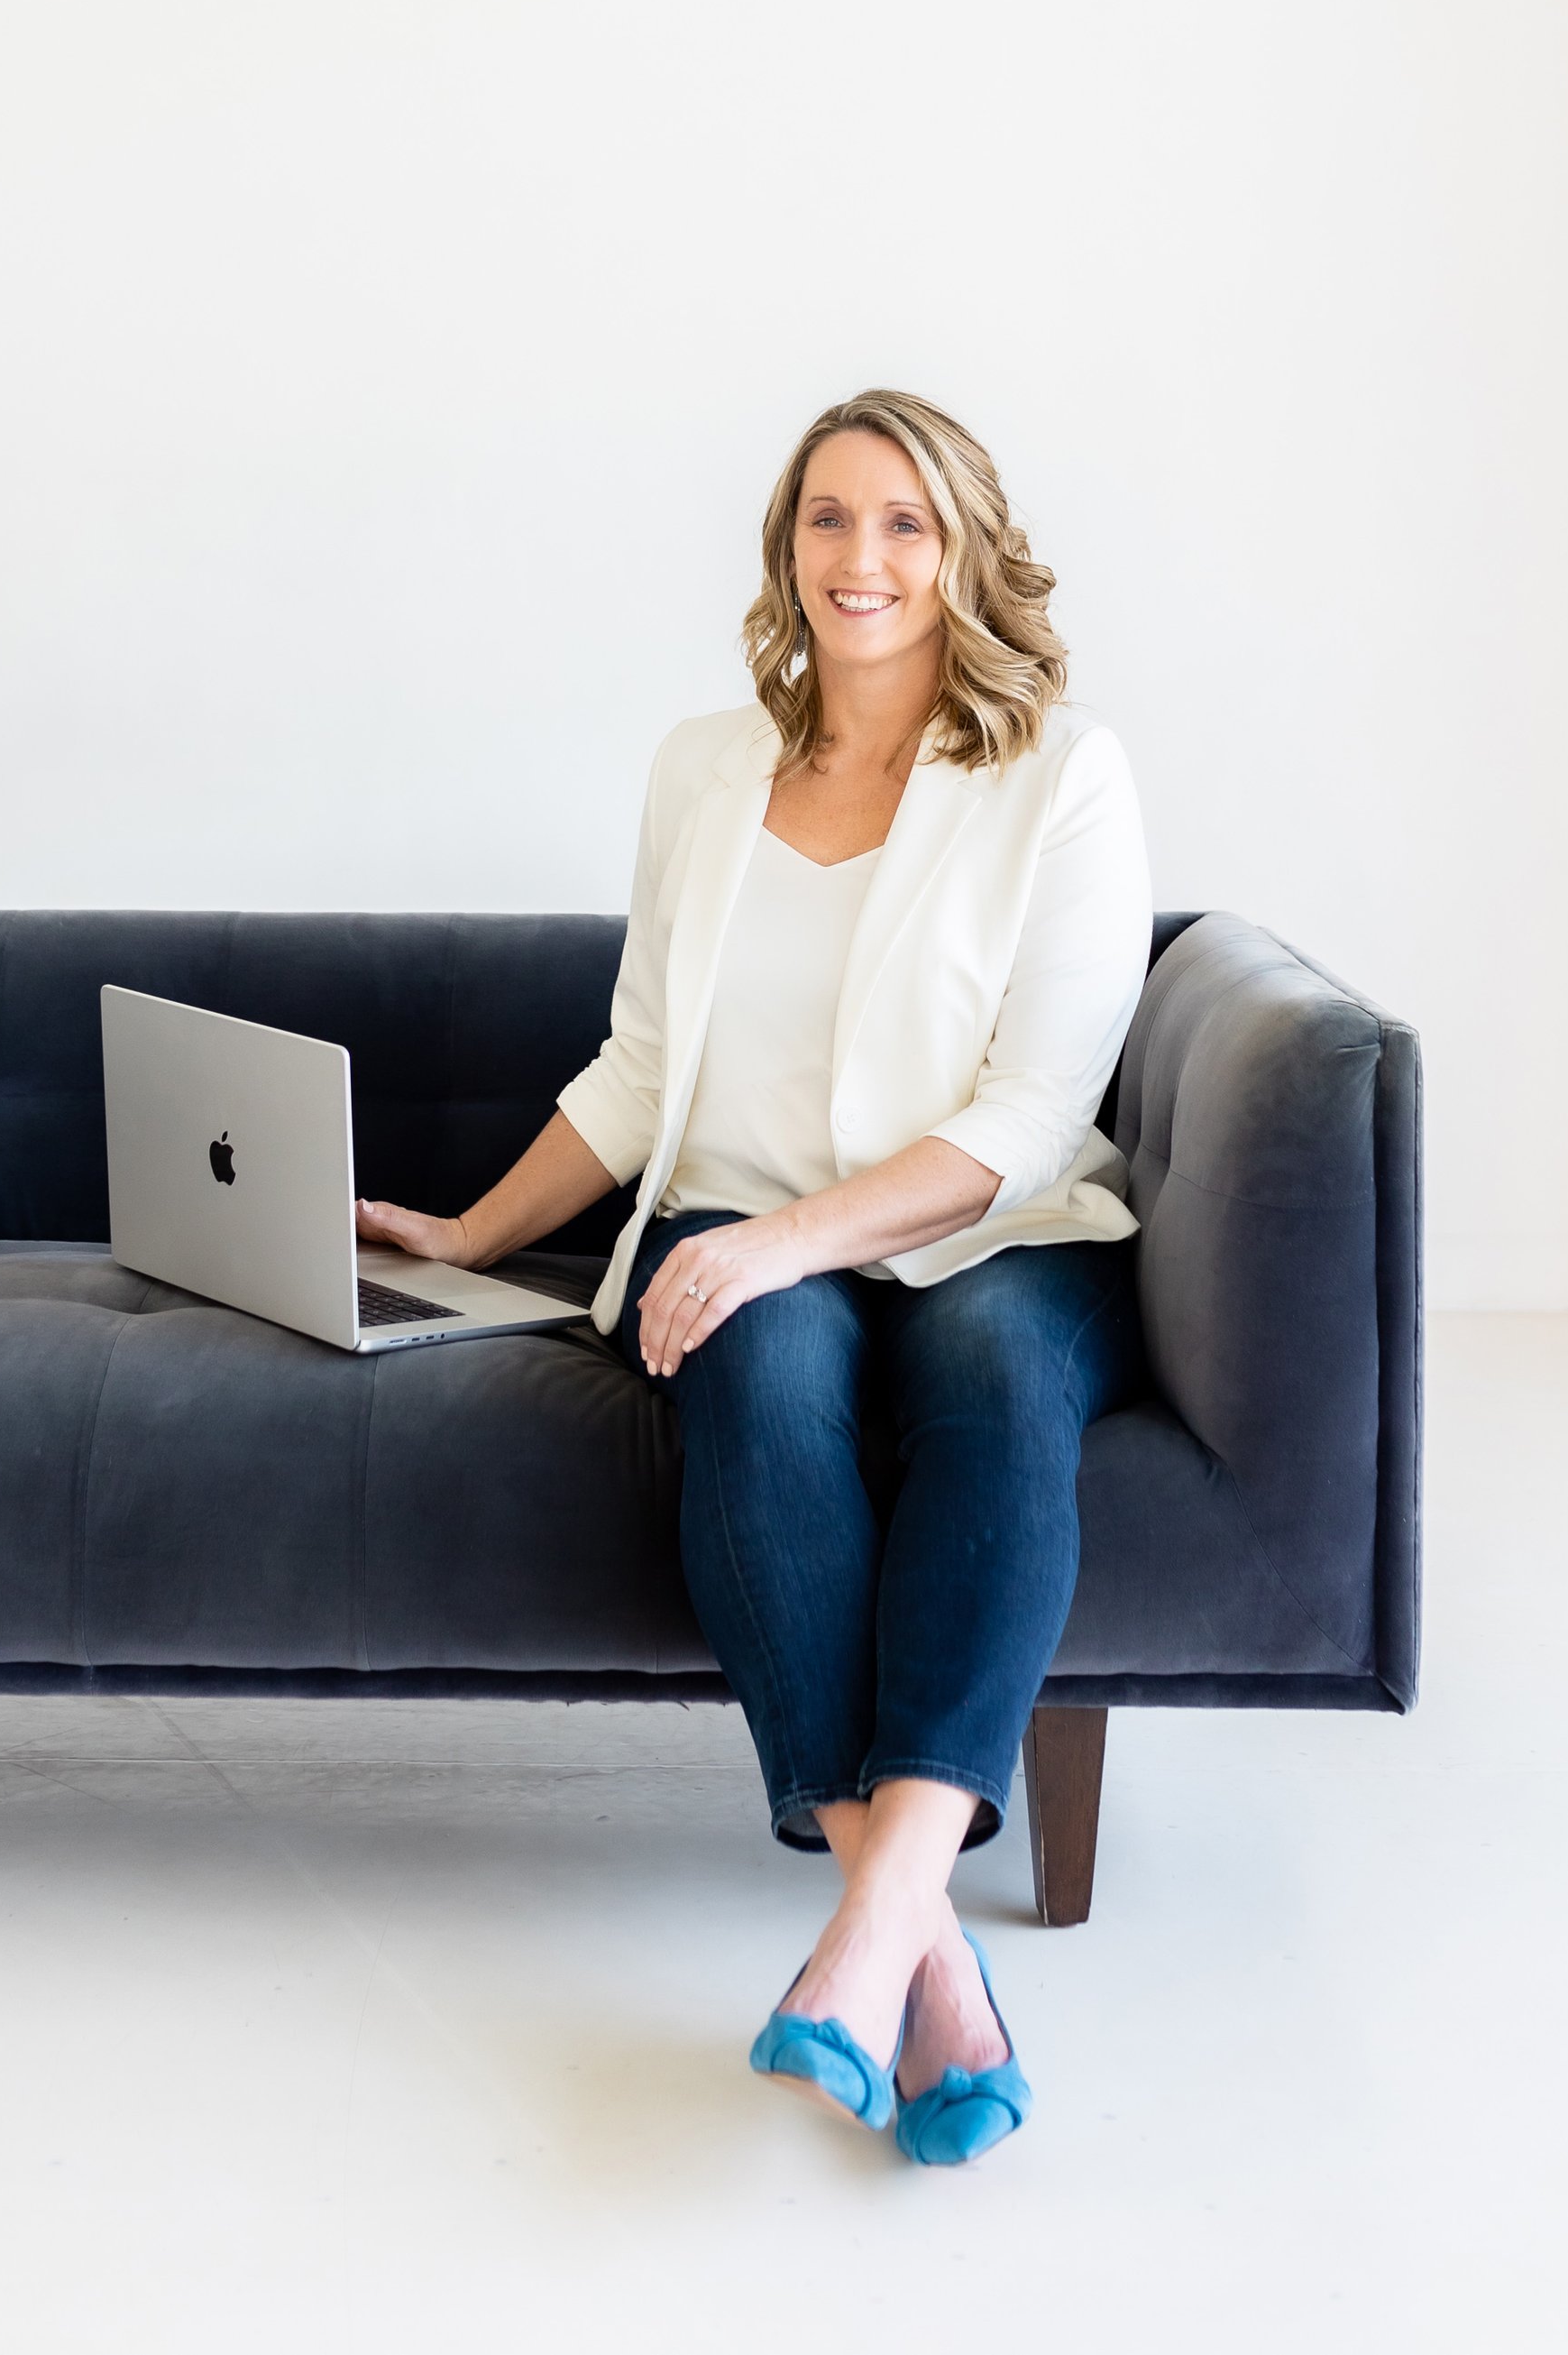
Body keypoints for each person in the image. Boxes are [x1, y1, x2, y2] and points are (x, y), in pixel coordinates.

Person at [357, 388, 1151, 2165]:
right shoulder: (703, 771)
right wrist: (478, 1232)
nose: (856, 560)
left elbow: (1032, 1115)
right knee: (757, 1374)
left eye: (900, 524)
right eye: (824, 520)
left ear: (961, 555)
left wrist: (783, 1238)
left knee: (997, 1391)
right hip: (752, 1229)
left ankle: (868, 1940)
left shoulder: (1057, 773)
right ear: (783, 548)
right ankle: (916, 1956)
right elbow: (644, 1068)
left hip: (987, 1233)